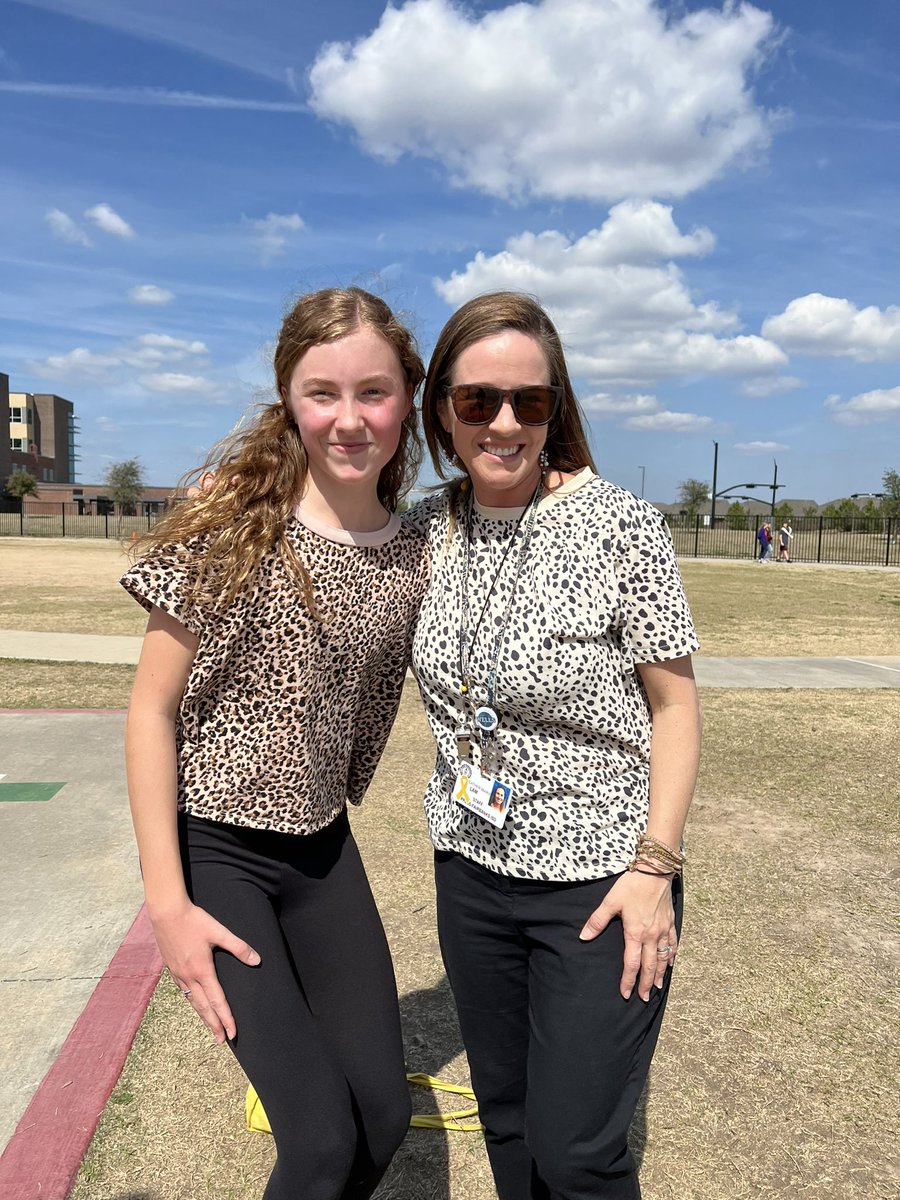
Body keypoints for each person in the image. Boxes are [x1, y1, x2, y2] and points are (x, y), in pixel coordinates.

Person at [121, 287, 430, 1200]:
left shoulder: (416, 549)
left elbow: (515, 495)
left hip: (323, 847)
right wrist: (168, 906)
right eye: (321, 392)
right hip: (218, 851)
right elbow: (150, 713)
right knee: (321, 1142)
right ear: (287, 399)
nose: (348, 418)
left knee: (383, 1117)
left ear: (407, 398)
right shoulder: (232, 526)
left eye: (373, 392)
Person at [405, 292, 702, 1199]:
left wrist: (655, 870)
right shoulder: (427, 527)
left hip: (602, 883)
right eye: (477, 401)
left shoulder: (621, 526)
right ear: (442, 411)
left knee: (578, 1152)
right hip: (471, 864)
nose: (504, 423)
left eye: (529, 402)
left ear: (557, 408)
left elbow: (677, 711)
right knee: (507, 1115)